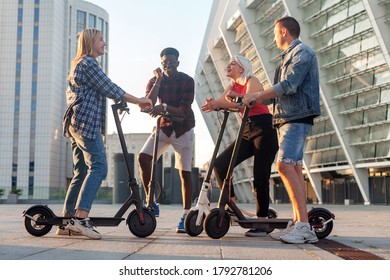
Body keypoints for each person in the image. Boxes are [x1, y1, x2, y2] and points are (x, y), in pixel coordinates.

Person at [60, 28, 152, 239]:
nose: (105, 43)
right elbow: (110, 88)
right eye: (101, 39)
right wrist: (139, 100)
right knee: (99, 168)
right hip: (85, 124)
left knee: (81, 172)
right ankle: (81, 218)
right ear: (91, 41)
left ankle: (67, 221)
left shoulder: (79, 65)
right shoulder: (88, 63)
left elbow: (102, 90)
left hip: (76, 124)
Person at [241, 16, 321, 244]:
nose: (274, 36)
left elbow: (288, 85)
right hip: (288, 117)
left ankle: (304, 227)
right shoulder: (288, 57)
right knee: (293, 168)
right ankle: (299, 223)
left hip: (297, 117)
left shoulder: (302, 53)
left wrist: (257, 95)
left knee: (284, 165)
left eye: (276, 32)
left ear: (284, 31)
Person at [201, 55, 278, 237]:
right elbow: (222, 101)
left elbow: (249, 98)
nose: (228, 65)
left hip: (263, 128)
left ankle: (261, 222)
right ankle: (230, 204)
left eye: (232, 63)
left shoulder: (252, 80)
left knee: (260, 176)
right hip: (246, 130)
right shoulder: (232, 86)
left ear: (242, 69)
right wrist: (213, 104)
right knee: (219, 164)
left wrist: (234, 98)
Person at [138, 47, 195, 233]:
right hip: (163, 127)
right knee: (143, 158)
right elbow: (148, 105)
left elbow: (184, 111)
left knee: (185, 173)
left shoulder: (187, 81)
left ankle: (186, 215)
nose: (168, 64)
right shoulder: (155, 81)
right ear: (161, 63)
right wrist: (159, 82)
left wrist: (163, 107)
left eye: (171, 61)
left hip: (183, 129)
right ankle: (151, 201)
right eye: (164, 62)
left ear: (177, 62)